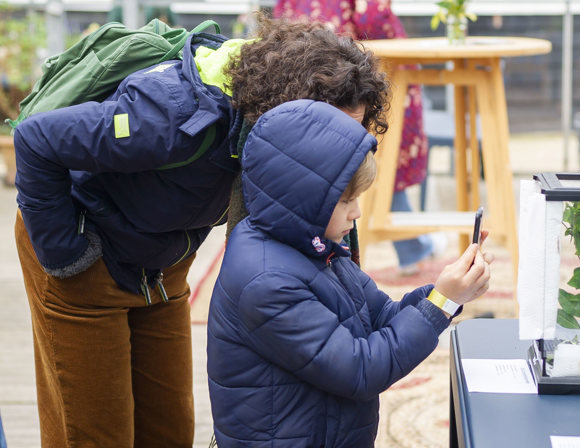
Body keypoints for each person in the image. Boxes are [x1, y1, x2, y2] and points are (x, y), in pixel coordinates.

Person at [13, 17, 391, 448]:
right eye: (335, 134)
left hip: (162, 264)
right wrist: (67, 255)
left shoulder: (265, 134)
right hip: (86, 253)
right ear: (287, 106)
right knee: (97, 433)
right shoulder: (165, 117)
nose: (342, 148)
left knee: (169, 430)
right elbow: (35, 139)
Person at [207, 99, 492, 447]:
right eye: (344, 200)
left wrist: (446, 292)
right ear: (302, 196)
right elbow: (361, 369)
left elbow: (383, 316)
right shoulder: (266, 282)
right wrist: (442, 303)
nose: (356, 212)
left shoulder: (313, 246)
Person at [274, 0, 445, 275]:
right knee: (371, 161)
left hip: (295, 77)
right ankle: (356, 257)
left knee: (322, 167)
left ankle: (411, 247)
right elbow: (375, 17)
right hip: (345, 79)